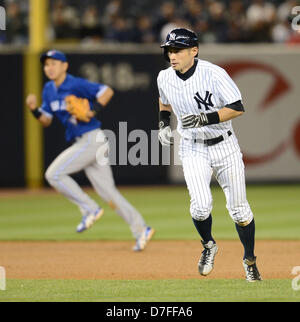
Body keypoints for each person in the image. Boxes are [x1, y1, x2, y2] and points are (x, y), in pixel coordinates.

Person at [157, 28, 261, 281]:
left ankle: (249, 261)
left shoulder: (214, 73)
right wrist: (162, 123)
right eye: (170, 50)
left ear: (194, 50)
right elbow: (164, 101)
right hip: (192, 147)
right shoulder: (164, 76)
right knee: (200, 208)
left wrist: (206, 117)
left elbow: (237, 107)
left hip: (224, 146)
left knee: (239, 211)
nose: (172, 55)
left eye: (178, 50)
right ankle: (208, 245)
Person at [26, 50, 154, 251]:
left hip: (92, 139)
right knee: (108, 192)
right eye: (46, 64)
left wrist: (91, 111)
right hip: (87, 141)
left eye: (54, 63)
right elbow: (46, 120)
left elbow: (107, 91)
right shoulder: (48, 90)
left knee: (54, 174)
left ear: (64, 66)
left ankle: (89, 208)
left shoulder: (75, 84)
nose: (49, 67)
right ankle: (141, 229)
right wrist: (34, 110)